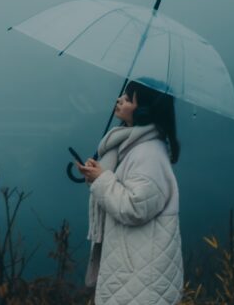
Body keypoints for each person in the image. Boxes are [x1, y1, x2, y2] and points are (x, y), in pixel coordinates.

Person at [75, 79, 183, 305]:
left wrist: (102, 179)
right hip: (133, 272)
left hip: (140, 279)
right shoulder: (132, 147)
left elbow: (136, 208)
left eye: (127, 99)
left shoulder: (148, 154)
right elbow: (120, 188)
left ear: (143, 109)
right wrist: (98, 175)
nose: (119, 100)